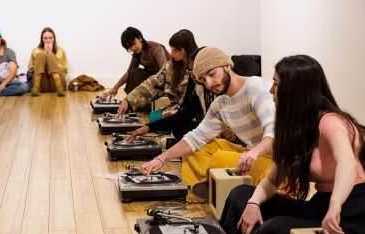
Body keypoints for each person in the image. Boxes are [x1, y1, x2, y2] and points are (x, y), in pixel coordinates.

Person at [219, 55, 365, 234]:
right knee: (241, 195)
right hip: (320, 206)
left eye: (276, 83)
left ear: (295, 90)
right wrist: (253, 203)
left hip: (350, 214)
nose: (272, 90)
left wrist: (335, 206)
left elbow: (347, 163)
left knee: (275, 228)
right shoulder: (296, 126)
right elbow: (273, 180)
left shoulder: (331, 122)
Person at [141, 47, 275, 188]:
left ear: (227, 65)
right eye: (204, 81)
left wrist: (253, 153)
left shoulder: (257, 88)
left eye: (212, 74)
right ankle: (206, 186)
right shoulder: (220, 104)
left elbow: (273, 134)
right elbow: (195, 138)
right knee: (198, 149)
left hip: (280, 161)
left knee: (220, 159)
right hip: (251, 154)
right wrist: (161, 159)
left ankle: (217, 184)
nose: (209, 84)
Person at [127, 47, 216, 144]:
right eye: (191, 73)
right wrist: (148, 127)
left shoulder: (220, 91)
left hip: (218, 139)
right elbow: (183, 114)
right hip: (193, 123)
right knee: (178, 128)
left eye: (174, 49)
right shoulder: (198, 86)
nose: (171, 53)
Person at [116, 29, 198, 116]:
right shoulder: (171, 65)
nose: (171, 53)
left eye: (174, 50)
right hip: (171, 104)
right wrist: (128, 100)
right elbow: (152, 83)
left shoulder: (198, 67)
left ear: (183, 50)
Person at [103, 27, 170, 97]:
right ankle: (132, 101)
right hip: (153, 79)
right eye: (129, 47)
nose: (132, 48)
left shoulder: (156, 48)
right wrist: (115, 88)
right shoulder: (137, 54)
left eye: (133, 44)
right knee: (134, 73)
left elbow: (165, 71)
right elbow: (129, 73)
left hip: (167, 79)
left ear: (140, 38)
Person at [28, 27, 67, 96]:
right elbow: (31, 68)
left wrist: (51, 56)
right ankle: (35, 88)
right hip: (41, 83)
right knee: (42, 54)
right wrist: (44, 54)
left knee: (50, 55)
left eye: (50, 38)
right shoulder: (35, 51)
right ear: (42, 39)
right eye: (45, 38)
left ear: (54, 38)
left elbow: (65, 70)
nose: (48, 40)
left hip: (57, 83)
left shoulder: (60, 51)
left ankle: (59, 88)